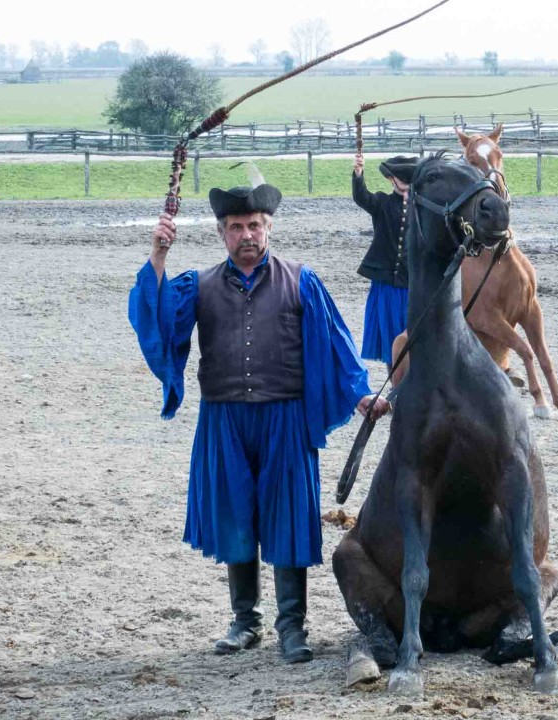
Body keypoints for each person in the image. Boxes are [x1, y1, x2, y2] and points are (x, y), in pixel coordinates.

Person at [128, 183, 390, 664]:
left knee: (289, 519)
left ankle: (292, 627)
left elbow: (337, 343)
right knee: (235, 519)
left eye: (254, 226)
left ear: (269, 227)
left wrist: (359, 394)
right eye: (235, 228)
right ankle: (244, 622)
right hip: (223, 418)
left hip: (285, 418)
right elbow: (158, 323)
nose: (246, 235)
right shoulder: (199, 284)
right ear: (222, 233)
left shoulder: (300, 280)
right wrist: (158, 257)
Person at [351, 153, 418, 371]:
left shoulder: (422, 207)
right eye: (401, 177)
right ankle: (395, 385)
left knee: (416, 336)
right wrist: (358, 173)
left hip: (413, 282)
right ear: (391, 179)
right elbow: (362, 197)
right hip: (387, 284)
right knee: (391, 337)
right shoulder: (382, 203)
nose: (406, 181)